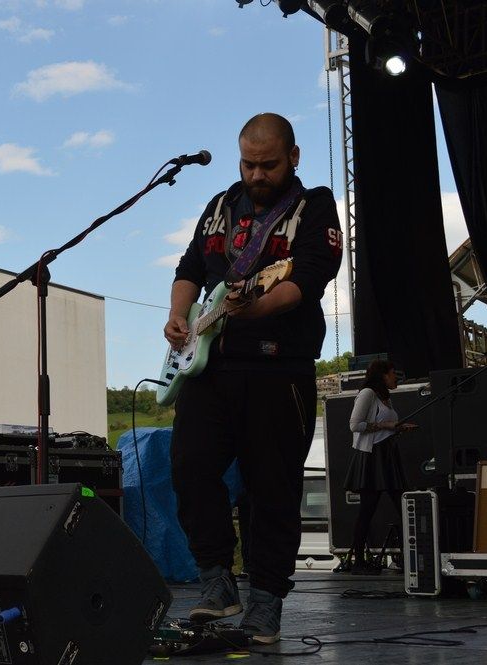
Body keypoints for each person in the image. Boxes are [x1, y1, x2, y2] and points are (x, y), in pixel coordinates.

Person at [164, 113, 342, 644]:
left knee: (272, 489)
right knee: (189, 466)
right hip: (210, 365)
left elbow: (307, 280)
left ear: (293, 157)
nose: (257, 174)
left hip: (277, 368)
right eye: (248, 163)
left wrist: (255, 309)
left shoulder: (315, 208)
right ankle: (217, 579)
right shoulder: (220, 206)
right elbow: (190, 269)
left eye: (268, 164)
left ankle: (266, 602)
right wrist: (179, 314)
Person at [344, 359, 416, 573]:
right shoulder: (368, 393)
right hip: (373, 455)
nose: (396, 378)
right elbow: (354, 425)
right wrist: (386, 425)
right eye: (393, 373)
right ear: (383, 375)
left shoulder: (386, 396)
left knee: (403, 505)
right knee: (368, 509)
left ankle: (410, 557)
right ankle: (358, 560)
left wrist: (398, 428)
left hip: (387, 453)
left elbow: (386, 426)